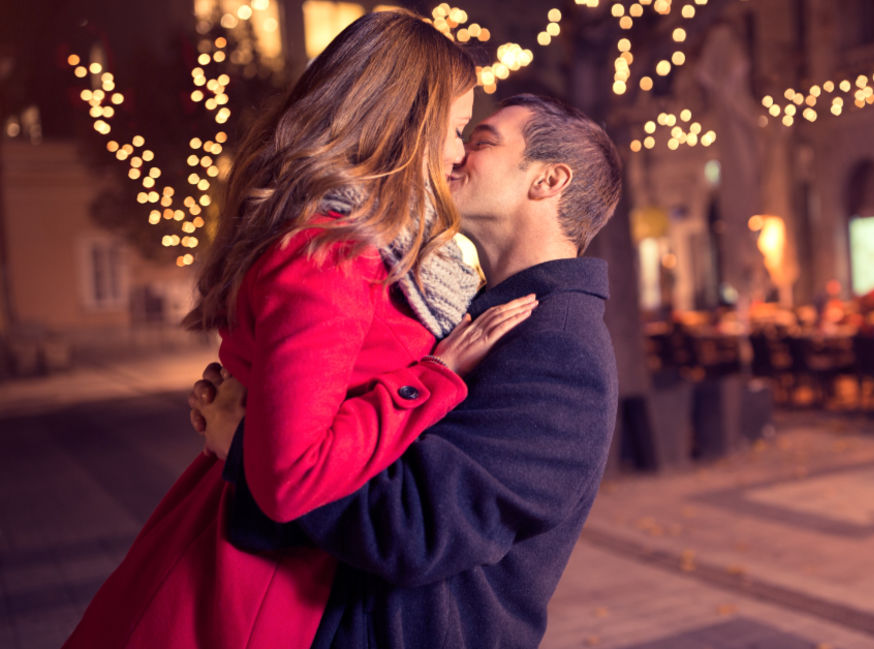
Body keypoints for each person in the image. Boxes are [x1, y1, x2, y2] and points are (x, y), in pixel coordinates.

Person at [64, 11, 535, 649]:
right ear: (404, 123)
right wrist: (437, 377)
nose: (458, 153)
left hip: (300, 561)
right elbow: (291, 479)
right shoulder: (330, 253)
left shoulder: (378, 244)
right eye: (454, 130)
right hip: (261, 584)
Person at [193, 94, 623, 649]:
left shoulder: (561, 347)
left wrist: (253, 449)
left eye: (483, 141)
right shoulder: (476, 311)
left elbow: (414, 526)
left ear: (548, 180)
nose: (456, 155)